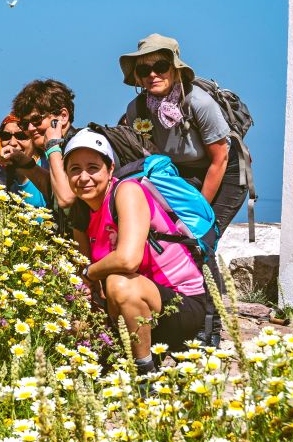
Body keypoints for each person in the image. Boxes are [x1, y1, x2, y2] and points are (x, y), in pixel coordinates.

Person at [65, 129, 206, 375]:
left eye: (93, 168)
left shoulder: (127, 192)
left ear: (110, 170)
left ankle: (144, 374)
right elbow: (87, 281)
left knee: (118, 283)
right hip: (134, 310)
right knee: (72, 324)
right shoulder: (81, 213)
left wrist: (89, 273)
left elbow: (128, 260)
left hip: (181, 305)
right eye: (75, 169)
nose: (83, 177)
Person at [118, 33, 247, 234]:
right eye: (144, 69)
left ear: (174, 68)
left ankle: (206, 262)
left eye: (160, 67)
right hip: (182, 174)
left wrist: (198, 211)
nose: (152, 75)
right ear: (138, 76)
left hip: (224, 170)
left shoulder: (198, 103)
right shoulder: (136, 109)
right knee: (168, 235)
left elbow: (219, 158)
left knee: (201, 236)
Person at [10, 79, 83, 235]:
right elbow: (53, 191)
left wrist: (52, 146)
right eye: (25, 124)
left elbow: (65, 199)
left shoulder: (81, 145)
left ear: (63, 116)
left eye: (37, 120)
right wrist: (23, 162)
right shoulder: (56, 151)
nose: (30, 128)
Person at [0, 114, 48, 208]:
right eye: (6, 136)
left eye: (21, 135)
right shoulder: (1, 177)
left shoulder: (47, 164)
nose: (12, 143)